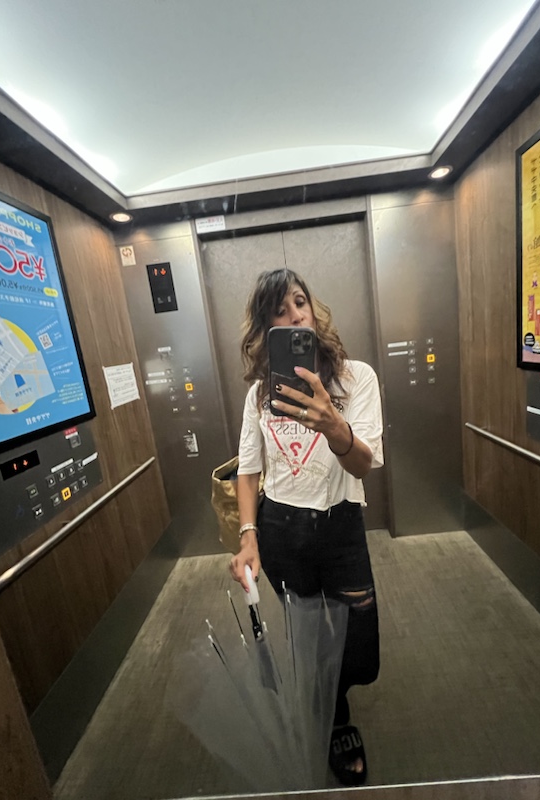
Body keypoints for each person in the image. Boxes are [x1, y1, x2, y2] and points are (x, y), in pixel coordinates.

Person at [230, 268, 384, 786]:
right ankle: (335, 719)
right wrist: (248, 536)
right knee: (308, 635)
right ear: (266, 329)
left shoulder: (356, 379)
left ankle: (335, 695)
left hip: (341, 528)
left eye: (299, 302)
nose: (295, 316)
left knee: (359, 645)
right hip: (281, 529)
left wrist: (333, 425)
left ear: (313, 309)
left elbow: (363, 465)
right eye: (279, 311)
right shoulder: (260, 395)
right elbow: (248, 468)